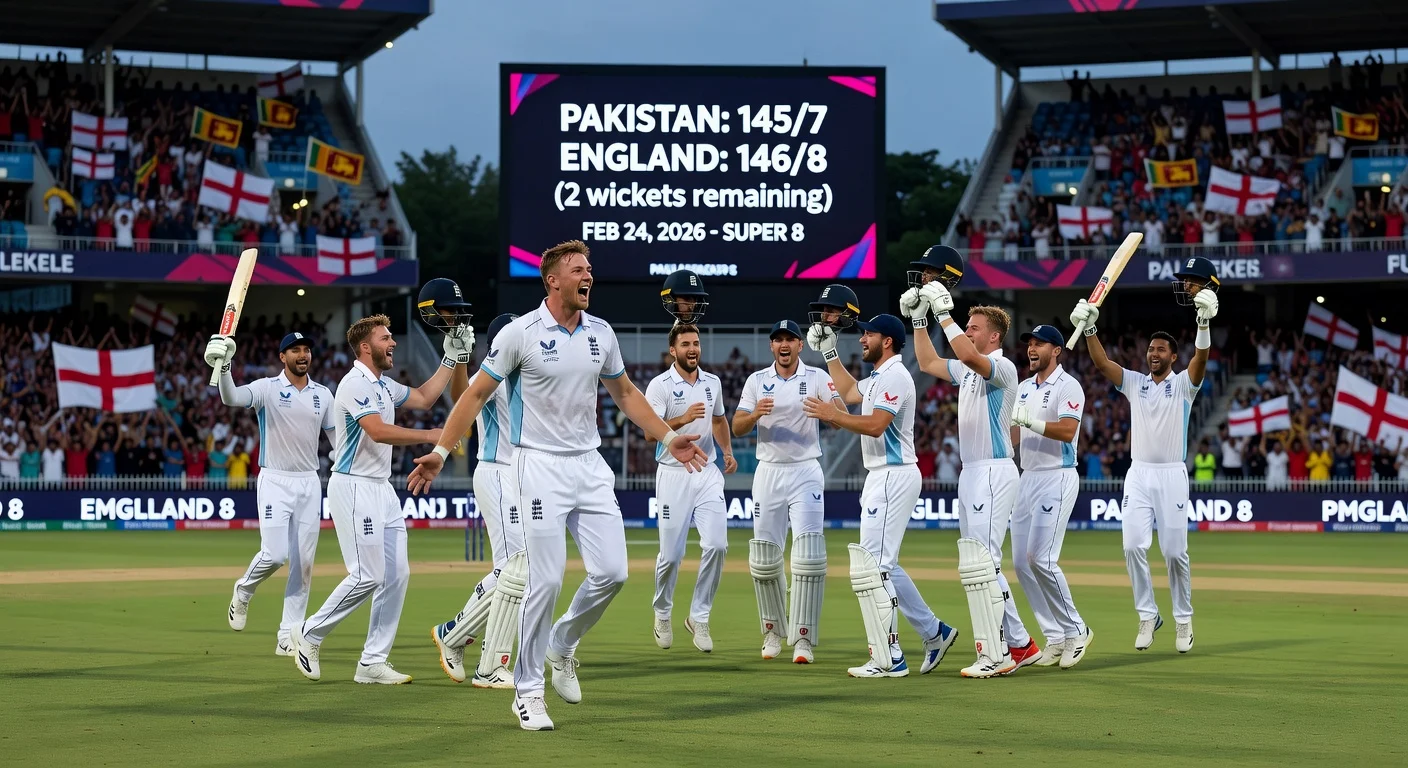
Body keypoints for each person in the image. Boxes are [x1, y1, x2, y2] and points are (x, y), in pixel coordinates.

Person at [405, 240, 707, 731]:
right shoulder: (520, 334)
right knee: (542, 581)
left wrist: (669, 436)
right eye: (578, 270)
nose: (588, 276)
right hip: (537, 466)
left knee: (613, 573)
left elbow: (626, 394)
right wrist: (441, 452)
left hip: (588, 466)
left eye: (590, 269)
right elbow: (475, 395)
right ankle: (527, 692)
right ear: (553, 280)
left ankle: (562, 644)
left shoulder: (602, 333)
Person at [286, 313, 463, 685]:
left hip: (381, 488)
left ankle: (372, 662)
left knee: (396, 574)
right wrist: (434, 435)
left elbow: (425, 397)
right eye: (386, 338)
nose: (393, 343)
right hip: (353, 486)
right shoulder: (354, 384)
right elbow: (378, 432)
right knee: (368, 575)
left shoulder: (383, 385)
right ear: (366, 347)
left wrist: (450, 357)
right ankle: (310, 633)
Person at [1070, 255, 1219, 654]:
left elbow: (1200, 362)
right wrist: (1090, 327)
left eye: (1161, 350)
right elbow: (1102, 363)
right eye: (1150, 349)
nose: (1153, 353)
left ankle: (1184, 620)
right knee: (1133, 546)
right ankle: (1147, 614)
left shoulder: (1185, 385)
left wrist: (1203, 325)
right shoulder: (1136, 383)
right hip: (1138, 475)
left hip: (1171, 475)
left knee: (1174, 551)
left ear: (1172, 356)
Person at [804, 313, 957, 678]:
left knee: (873, 569)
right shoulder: (878, 377)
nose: (862, 339)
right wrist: (829, 353)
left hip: (893, 476)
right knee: (885, 566)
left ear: (886, 340)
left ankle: (889, 658)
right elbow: (851, 393)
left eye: (867, 334)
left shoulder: (896, 376)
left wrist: (833, 415)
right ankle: (934, 632)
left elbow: (875, 426)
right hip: (883, 477)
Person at [906, 277, 1040, 678]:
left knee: (983, 564)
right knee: (979, 565)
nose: (967, 330)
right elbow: (929, 363)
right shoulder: (967, 369)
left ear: (994, 335)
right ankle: (1020, 645)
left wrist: (943, 314)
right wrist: (918, 321)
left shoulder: (1001, 365)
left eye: (974, 326)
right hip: (973, 472)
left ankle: (996, 653)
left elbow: (966, 356)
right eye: (966, 324)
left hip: (995, 470)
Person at [205, 330, 334, 655]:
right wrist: (224, 367)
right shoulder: (267, 388)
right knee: (275, 554)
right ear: (282, 357)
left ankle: (287, 636)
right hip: (275, 480)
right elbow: (230, 398)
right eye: (295, 351)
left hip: (309, 481)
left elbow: (337, 441)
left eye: (306, 350)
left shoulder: (323, 394)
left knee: (303, 565)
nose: (302, 355)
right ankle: (244, 590)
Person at [428, 298, 527, 690]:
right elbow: (461, 397)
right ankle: (493, 664)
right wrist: (462, 358)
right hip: (497, 474)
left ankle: (454, 635)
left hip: (523, 477)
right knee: (517, 571)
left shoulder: (532, 374)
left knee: (518, 572)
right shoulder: (495, 373)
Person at [732, 318, 845, 664]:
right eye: (778, 339)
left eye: (790, 339)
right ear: (771, 346)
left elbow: (842, 415)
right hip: (768, 472)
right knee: (766, 558)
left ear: (800, 345)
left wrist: (827, 411)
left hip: (806, 470)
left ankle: (803, 639)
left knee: (808, 557)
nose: (784, 345)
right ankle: (771, 631)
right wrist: (754, 416)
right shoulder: (756, 381)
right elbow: (736, 427)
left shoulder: (817, 378)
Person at [646, 323, 735, 653]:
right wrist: (681, 419)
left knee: (717, 545)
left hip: (707, 471)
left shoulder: (712, 382)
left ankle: (699, 616)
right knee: (671, 555)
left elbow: (719, 420)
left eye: (696, 343)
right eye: (686, 344)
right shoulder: (659, 386)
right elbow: (649, 434)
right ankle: (663, 611)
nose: (693, 349)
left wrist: (726, 451)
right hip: (673, 473)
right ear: (674, 351)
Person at [1008, 324, 1093, 669]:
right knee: (1020, 562)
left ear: (1056, 350)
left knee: (1040, 558)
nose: (1031, 348)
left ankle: (1077, 629)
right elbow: (1014, 433)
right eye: (1029, 343)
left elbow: (1069, 430)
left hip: (1056, 477)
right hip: (1026, 477)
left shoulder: (1068, 385)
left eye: (1039, 343)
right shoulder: (1024, 387)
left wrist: (1031, 422)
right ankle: (1055, 636)